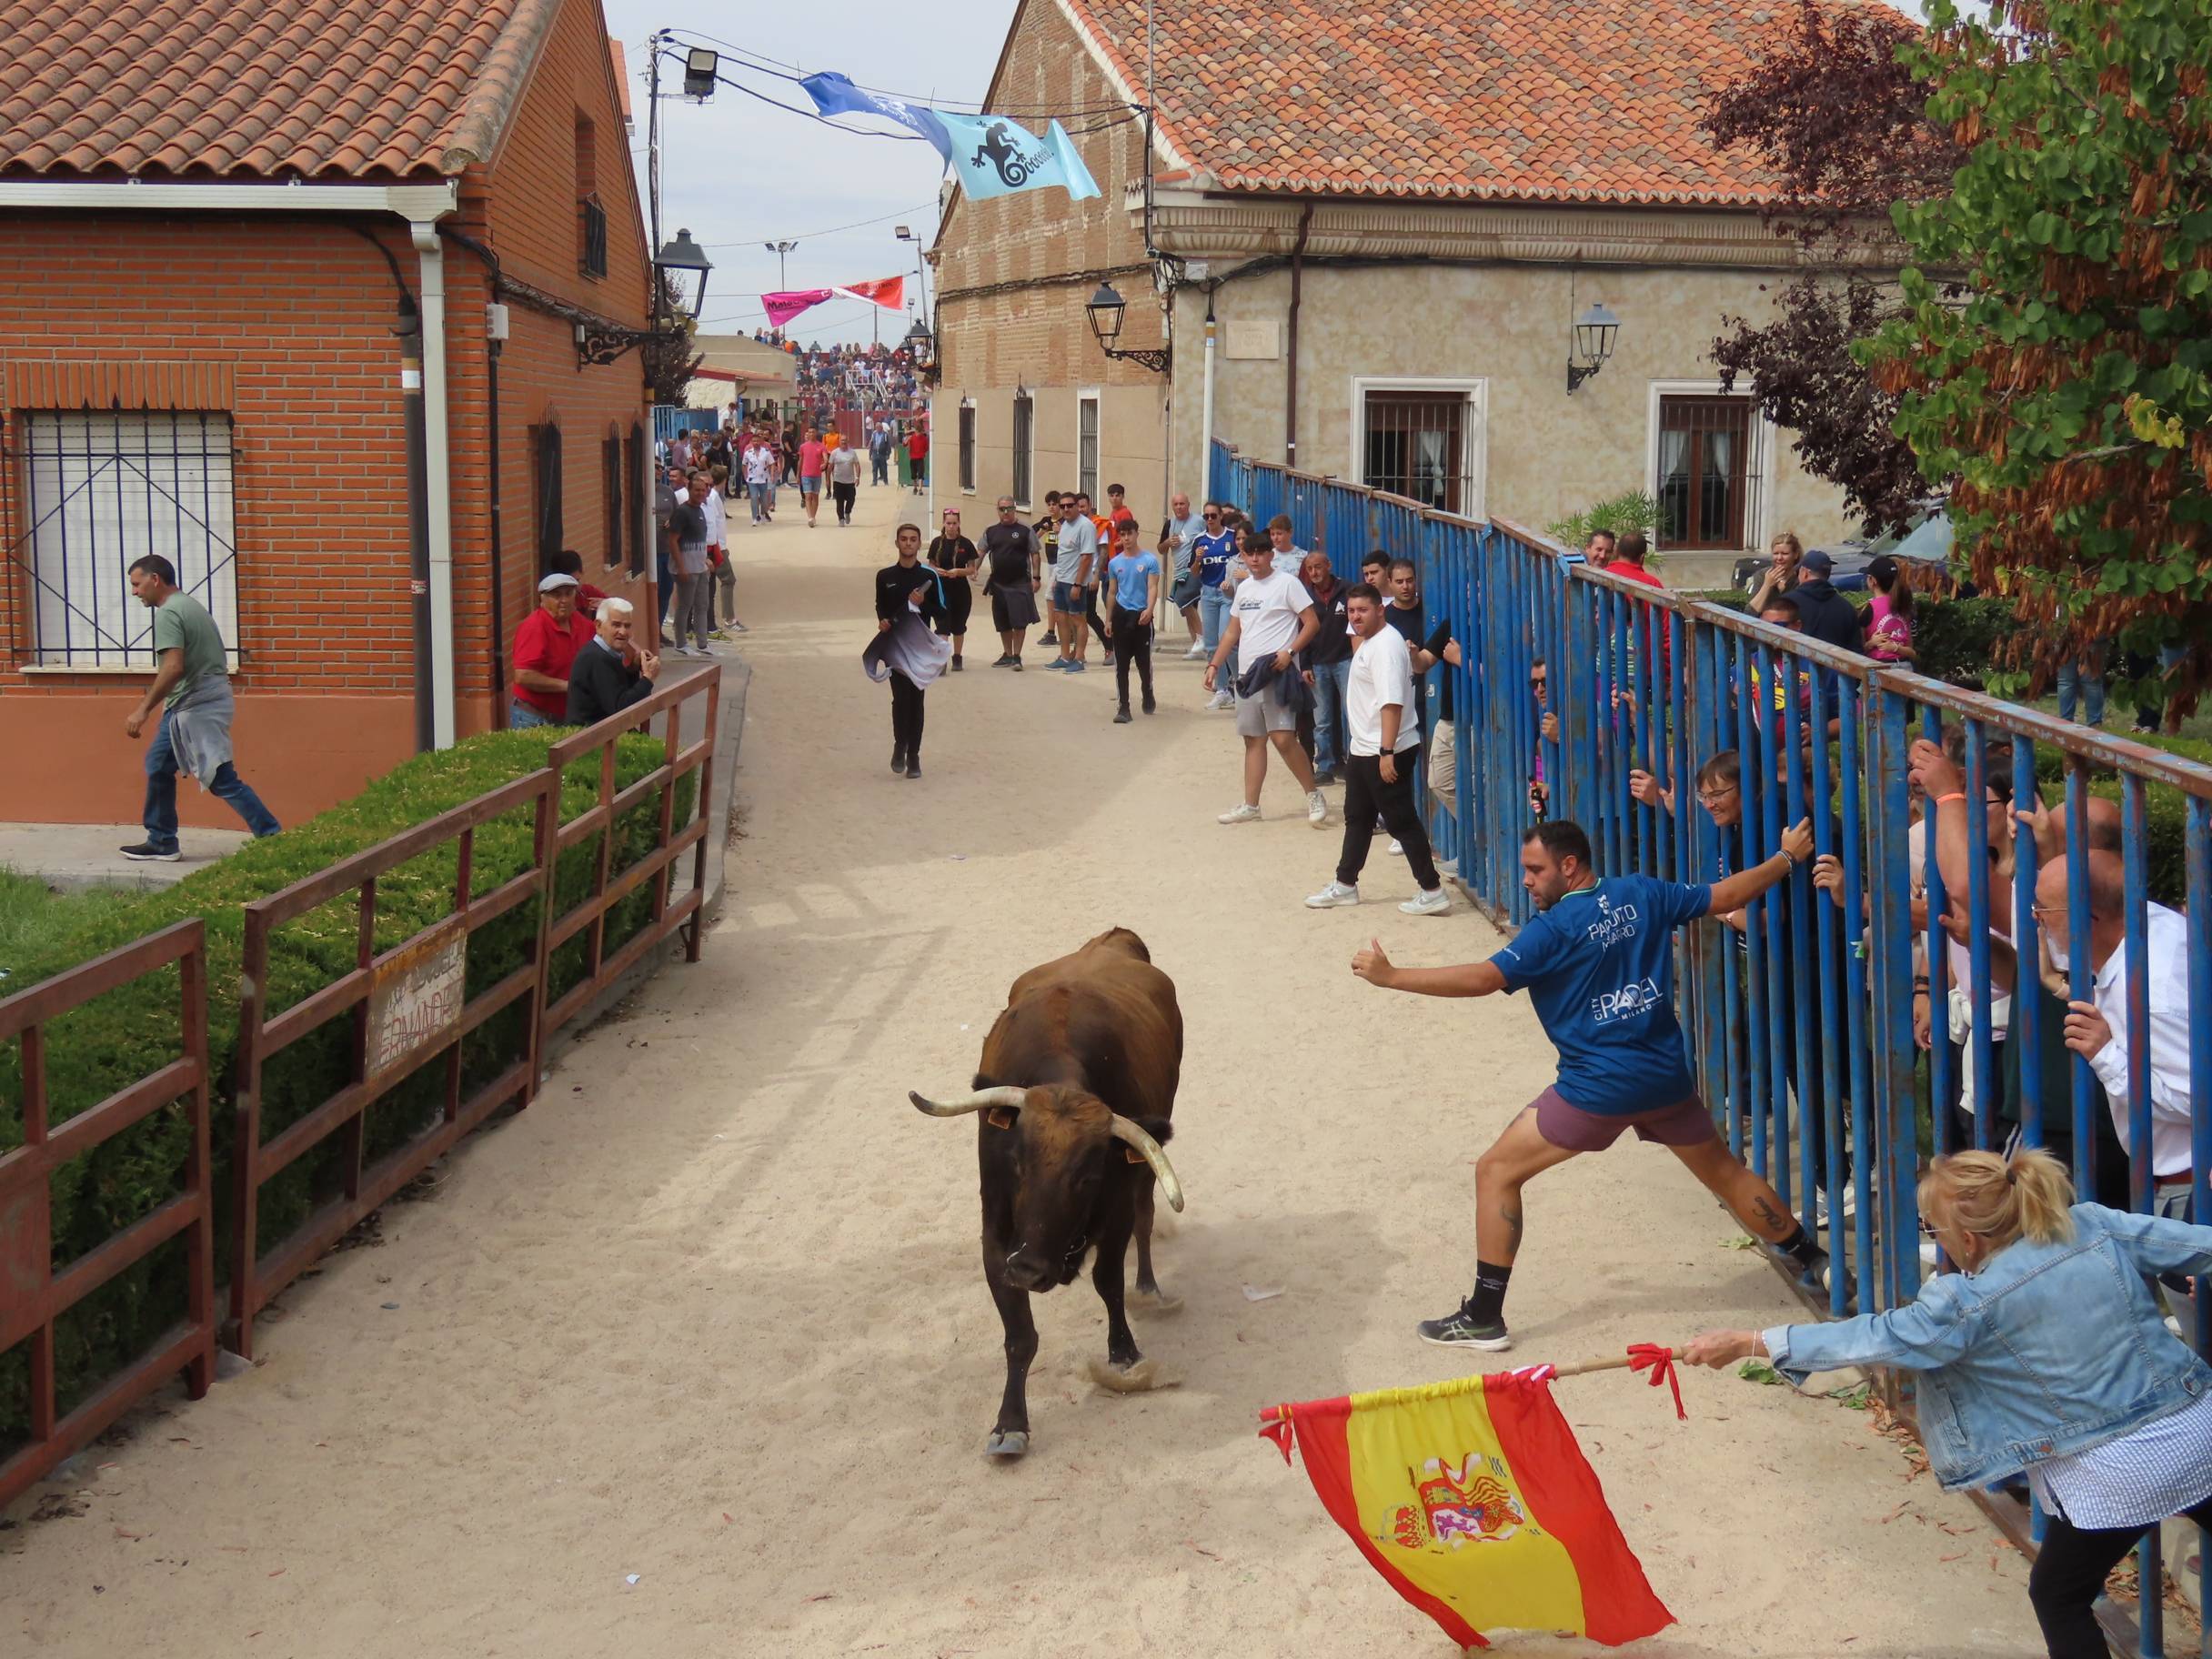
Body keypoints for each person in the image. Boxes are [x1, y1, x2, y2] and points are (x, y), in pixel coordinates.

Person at [1684, 1148, 2212, 1659]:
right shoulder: (2092, 1225)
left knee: (2058, 1596)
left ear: (1966, 1239)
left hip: (2117, 1469)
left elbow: (1872, 1336)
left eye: (1931, 1230)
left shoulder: (1963, 1302)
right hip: (2196, 1429)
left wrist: (1749, 1340)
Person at [1351, 815, 1826, 1350]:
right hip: (1663, 1076)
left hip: (1597, 1086)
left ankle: (1484, 1316)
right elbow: (1724, 895)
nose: (1526, 880)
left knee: (1496, 1171)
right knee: (1725, 1172)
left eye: (1535, 870)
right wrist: (1786, 859)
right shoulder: (1640, 892)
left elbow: (1484, 980)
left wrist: (1393, 978)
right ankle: (1816, 1262)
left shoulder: (1551, 931)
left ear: (1569, 866)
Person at [2037, 849, 2195, 1216]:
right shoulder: (2149, 926)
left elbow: (2197, 1101)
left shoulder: (2152, 994)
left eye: (2044, 910)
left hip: (2188, 1190)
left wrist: (2106, 1055)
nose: (2038, 920)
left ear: (2086, 921)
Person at [118, 555, 280, 860]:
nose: (134, 592)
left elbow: (173, 667)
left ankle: (272, 836)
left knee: (220, 778)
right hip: (194, 703)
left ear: (155, 579)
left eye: (137, 584)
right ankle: (162, 840)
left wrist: (143, 709)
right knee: (158, 766)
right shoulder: (189, 605)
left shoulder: (169, 613)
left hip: (196, 705)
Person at [1305, 582, 1449, 915]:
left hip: (1385, 750)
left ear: (1379, 610)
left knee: (1401, 821)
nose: (1356, 617)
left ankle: (1432, 890)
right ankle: (1345, 884)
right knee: (1357, 817)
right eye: (1352, 611)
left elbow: (1391, 703)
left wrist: (1387, 752)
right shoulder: (1373, 643)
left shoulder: (1385, 646)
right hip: (1365, 748)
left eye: (1363, 611)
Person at [1206, 528, 1328, 828]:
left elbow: (1311, 624)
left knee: (1284, 738)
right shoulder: (1245, 589)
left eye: (1261, 553)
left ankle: (1313, 794)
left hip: (1277, 671)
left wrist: (1290, 652)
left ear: (1271, 555)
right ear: (1244, 556)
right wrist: (1214, 665)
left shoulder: (1287, 584)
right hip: (1248, 675)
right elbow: (1233, 631)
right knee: (1253, 739)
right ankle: (1251, 805)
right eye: (1250, 553)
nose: (1256, 558)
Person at [867, 523, 950, 779]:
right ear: (897, 543)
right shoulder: (884, 576)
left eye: (913, 539)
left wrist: (926, 606)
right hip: (894, 647)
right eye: (904, 539)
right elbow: (881, 606)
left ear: (919, 543)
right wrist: (881, 620)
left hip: (919, 649)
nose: (908, 543)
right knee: (900, 700)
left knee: (916, 702)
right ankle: (899, 744)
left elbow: (942, 612)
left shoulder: (929, 577)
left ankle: (913, 756)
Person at [511, 570, 598, 729]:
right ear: (543, 599)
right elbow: (523, 676)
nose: (564, 600)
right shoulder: (534, 627)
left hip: (567, 716)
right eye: (556, 595)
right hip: (534, 718)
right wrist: (568, 686)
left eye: (568, 593)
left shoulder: (581, 623)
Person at [1297, 549, 1353, 787]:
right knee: (1323, 719)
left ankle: (1354, 764)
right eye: (1310, 569)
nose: (1314, 573)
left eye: (1318, 567)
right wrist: (1305, 664)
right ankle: (1325, 766)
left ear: (1328, 565)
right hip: (1318, 664)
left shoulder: (1348, 591)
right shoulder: (1306, 597)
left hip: (1345, 660)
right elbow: (1303, 632)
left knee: (1352, 715)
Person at [566, 597, 660, 726]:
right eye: (616, 625)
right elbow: (620, 708)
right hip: (589, 738)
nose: (622, 632)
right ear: (598, 626)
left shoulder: (607, 652)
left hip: (602, 733)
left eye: (627, 626)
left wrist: (633, 668)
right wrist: (648, 678)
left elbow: (621, 692)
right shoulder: (595, 658)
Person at [1102, 521, 1161, 723]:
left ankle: (1148, 689)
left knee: (1143, 663)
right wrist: (1108, 619)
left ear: (1137, 534)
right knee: (1122, 664)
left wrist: (1149, 609)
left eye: (1130, 534)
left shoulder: (1149, 560)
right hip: (1121, 616)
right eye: (1123, 534)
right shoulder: (1114, 563)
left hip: (1141, 616)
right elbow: (1111, 591)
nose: (1126, 538)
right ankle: (1124, 707)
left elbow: (1152, 587)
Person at [1191, 503, 1241, 706]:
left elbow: (1243, 558)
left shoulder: (1232, 537)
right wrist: (1198, 560)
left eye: (1213, 515)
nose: (1210, 519)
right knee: (1211, 644)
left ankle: (1240, 684)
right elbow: (1194, 572)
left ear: (1221, 516)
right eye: (1206, 516)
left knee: (1226, 640)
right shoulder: (1200, 541)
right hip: (1208, 593)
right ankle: (1222, 690)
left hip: (1228, 594)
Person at [981, 497, 1040, 669]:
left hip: (1020, 583)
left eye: (1008, 508)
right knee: (1003, 622)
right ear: (997, 510)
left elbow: (1035, 553)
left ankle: (1017, 656)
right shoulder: (990, 531)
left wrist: (1036, 578)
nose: (1005, 512)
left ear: (1014, 509)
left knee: (1019, 622)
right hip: (998, 584)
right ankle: (1007, 654)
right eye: (1002, 509)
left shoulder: (1025, 530)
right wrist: (973, 569)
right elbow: (981, 551)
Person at [1046, 494, 1099, 674]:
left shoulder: (1086, 526)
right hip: (1061, 579)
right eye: (1063, 506)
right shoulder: (1065, 525)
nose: (1066, 509)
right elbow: (1063, 554)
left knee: (1078, 619)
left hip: (1075, 582)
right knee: (1061, 617)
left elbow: (1087, 557)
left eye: (1070, 505)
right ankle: (1064, 657)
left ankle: (1079, 658)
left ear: (1077, 506)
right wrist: (1056, 579)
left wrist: (1077, 585)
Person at [927, 508, 980, 670]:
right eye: (948, 523)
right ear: (943, 523)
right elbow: (930, 564)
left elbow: (972, 569)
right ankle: (942, 662)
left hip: (961, 590)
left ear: (959, 524)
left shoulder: (966, 543)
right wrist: (937, 571)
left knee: (958, 626)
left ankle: (957, 657)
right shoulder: (937, 543)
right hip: (941, 590)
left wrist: (958, 572)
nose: (951, 526)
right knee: (942, 625)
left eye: (954, 523)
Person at [668, 473, 713, 656]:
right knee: (684, 606)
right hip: (686, 569)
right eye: (697, 490)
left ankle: (702, 644)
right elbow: (672, 541)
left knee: (702, 605)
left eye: (703, 490)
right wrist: (681, 567)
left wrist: (706, 560)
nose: (701, 493)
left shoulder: (701, 510)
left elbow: (701, 540)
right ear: (689, 491)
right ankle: (681, 643)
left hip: (700, 568)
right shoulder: (682, 512)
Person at [1789, 548, 1866, 652]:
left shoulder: (1786, 603)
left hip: (1795, 666)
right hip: (1836, 667)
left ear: (1804, 573)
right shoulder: (1847, 609)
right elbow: (1856, 650)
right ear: (1828, 575)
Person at [1161, 492, 1205, 658]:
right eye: (1176, 505)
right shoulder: (1169, 524)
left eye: (1182, 504)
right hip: (1178, 571)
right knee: (1188, 609)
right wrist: (1167, 542)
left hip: (1194, 568)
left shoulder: (1199, 521)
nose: (1179, 507)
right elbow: (1161, 548)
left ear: (1188, 504)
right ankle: (1197, 645)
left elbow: (1208, 537)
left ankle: (1201, 639)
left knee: (1184, 600)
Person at [1864, 552, 1915, 664]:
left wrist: (1871, 643)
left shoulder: (1867, 608)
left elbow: (1857, 649)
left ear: (1873, 581)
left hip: (1878, 667)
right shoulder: (1904, 603)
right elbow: (1912, 651)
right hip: (1905, 667)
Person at [1033, 491, 1064, 650]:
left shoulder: (1064, 522)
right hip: (1051, 563)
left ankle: (1052, 632)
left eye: (1055, 504)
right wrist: (1043, 530)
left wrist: (1060, 530)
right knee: (1056, 597)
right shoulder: (1045, 521)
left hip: (1062, 564)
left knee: (1050, 596)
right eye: (1049, 504)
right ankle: (1063, 632)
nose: (1052, 507)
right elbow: (1032, 538)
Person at [1745, 531, 1805, 616]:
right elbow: (1749, 613)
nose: (1779, 558)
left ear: (1796, 555)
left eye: (1785, 554)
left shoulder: (1800, 578)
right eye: (1776, 553)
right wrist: (1767, 585)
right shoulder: (1762, 575)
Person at [545, 549, 608, 619]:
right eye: (569, 584)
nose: (575, 587)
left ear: (582, 573)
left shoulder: (588, 592)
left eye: (577, 580)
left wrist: (607, 604)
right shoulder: (555, 605)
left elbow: (619, 608)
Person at [827, 434, 862, 527]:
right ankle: (841, 519)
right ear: (839, 442)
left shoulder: (852, 452)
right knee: (839, 501)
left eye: (845, 440)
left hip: (850, 481)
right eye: (842, 440)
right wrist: (828, 478)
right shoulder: (835, 453)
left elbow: (857, 465)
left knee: (851, 499)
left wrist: (857, 477)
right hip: (838, 481)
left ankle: (847, 512)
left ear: (848, 441)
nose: (843, 442)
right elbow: (830, 466)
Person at [742, 428, 777, 525]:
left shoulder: (766, 451)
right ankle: (754, 517)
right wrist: (746, 476)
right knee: (754, 498)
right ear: (751, 442)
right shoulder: (748, 453)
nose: (756, 443)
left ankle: (762, 514)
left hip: (763, 478)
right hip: (752, 479)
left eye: (757, 441)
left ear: (760, 441)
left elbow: (772, 463)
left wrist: (772, 474)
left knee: (764, 499)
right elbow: (744, 464)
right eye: (754, 441)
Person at [799, 428, 826, 528]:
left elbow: (825, 457)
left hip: (817, 475)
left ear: (816, 433)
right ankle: (810, 517)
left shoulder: (821, 446)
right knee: (808, 496)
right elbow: (800, 461)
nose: (811, 434)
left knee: (815, 497)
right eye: (809, 432)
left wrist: (825, 463)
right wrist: (798, 474)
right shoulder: (803, 447)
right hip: (805, 475)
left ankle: (813, 517)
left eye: (813, 432)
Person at [870, 420, 893, 487]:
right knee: (874, 468)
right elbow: (871, 444)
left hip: (882, 454)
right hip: (875, 453)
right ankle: (874, 482)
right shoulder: (874, 434)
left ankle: (885, 481)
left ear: (881, 428)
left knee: (884, 468)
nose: (877, 428)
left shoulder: (885, 434)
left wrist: (888, 454)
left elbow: (888, 444)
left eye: (878, 427)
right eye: (876, 427)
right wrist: (870, 454)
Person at [907, 424, 929, 494]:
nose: (918, 434)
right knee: (914, 474)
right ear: (916, 431)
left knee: (920, 474)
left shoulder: (923, 438)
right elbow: (904, 444)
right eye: (917, 432)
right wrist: (908, 439)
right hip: (914, 458)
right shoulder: (912, 437)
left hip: (919, 458)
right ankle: (915, 487)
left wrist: (921, 453)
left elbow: (926, 448)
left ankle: (920, 489)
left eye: (919, 432)